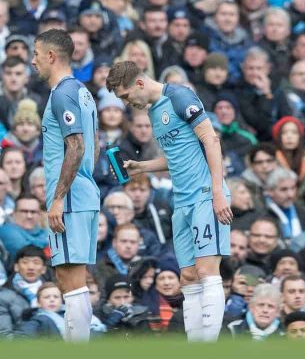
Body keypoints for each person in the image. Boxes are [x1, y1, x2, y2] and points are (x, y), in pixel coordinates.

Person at [107, 60, 232, 342]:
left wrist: (217, 191)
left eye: (126, 96)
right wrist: (142, 167)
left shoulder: (179, 96)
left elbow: (211, 140)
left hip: (204, 194)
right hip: (182, 200)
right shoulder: (154, 112)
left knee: (206, 270)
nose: (128, 103)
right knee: (187, 276)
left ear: (139, 83)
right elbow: (174, 157)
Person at [33, 29, 100, 342]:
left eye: (36, 55)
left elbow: (76, 146)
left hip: (71, 198)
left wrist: (59, 198)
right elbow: (94, 143)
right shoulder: (83, 91)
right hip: (84, 193)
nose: (33, 62)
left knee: (69, 279)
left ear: (50, 56)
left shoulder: (61, 93)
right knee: (76, 279)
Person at [0, 245, 48, 338]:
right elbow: (0, 335)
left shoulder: (54, 293)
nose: (31, 267)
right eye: (25, 262)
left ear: (44, 269)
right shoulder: (0, 297)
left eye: (36, 262)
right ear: (16, 267)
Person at [0, 194, 48, 263]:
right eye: (24, 211)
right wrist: (47, 246)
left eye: (33, 212)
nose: (29, 216)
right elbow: (29, 253)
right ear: (14, 213)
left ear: (39, 215)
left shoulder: (45, 231)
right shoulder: (6, 231)